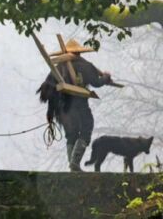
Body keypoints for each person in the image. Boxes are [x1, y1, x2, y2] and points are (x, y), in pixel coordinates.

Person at [37, 39, 113, 172]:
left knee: (71, 135)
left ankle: (73, 166)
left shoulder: (58, 67)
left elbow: (47, 92)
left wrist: (51, 112)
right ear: (79, 52)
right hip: (79, 106)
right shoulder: (85, 65)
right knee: (86, 129)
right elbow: (96, 82)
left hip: (62, 109)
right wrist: (106, 78)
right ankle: (74, 163)